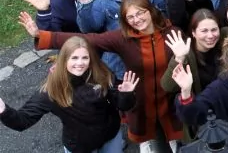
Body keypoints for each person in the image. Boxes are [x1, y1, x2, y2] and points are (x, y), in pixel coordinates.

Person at [23, 0, 184, 152]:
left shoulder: (172, 32)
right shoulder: (123, 38)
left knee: (171, 123)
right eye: (131, 17)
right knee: (147, 127)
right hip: (140, 96)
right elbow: (87, 39)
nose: (137, 19)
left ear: (151, 11)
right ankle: (148, 140)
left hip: (169, 94)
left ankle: (173, 138)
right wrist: (41, 36)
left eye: (141, 12)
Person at [0, 37, 139, 153]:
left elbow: (123, 105)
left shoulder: (101, 73)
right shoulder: (51, 90)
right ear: (64, 60)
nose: (80, 63)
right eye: (74, 58)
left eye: (85, 57)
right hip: (81, 147)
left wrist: (126, 94)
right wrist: (4, 110)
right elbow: (22, 121)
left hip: (111, 137)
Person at [160, 7, 228, 142]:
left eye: (214, 30)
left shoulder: (225, 37)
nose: (210, 36)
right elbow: (167, 85)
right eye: (204, 31)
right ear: (193, 33)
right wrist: (179, 59)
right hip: (203, 118)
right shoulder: (186, 52)